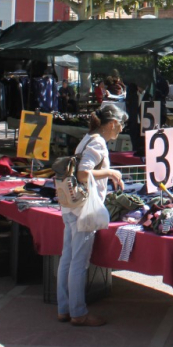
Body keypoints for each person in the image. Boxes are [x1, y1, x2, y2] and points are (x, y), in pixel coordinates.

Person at [58, 103, 127, 327]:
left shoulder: (87, 138)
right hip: (84, 209)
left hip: (72, 206)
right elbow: (83, 171)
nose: (121, 130)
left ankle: (64, 308)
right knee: (79, 261)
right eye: (121, 125)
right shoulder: (97, 142)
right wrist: (110, 172)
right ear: (113, 124)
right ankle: (78, 313)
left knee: (67, 258)